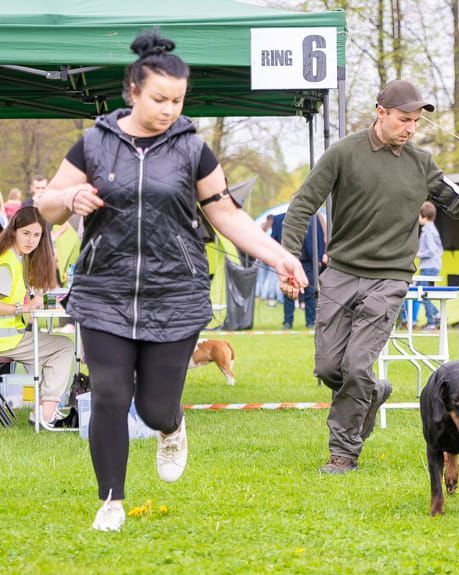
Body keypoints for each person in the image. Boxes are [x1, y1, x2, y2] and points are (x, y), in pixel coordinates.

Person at [37, 29, 307, 531]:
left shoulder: (192, 149)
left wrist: (279, 256)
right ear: (133, 91)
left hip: (175, 291)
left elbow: (225, 213)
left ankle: (172, 427)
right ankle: (111, 502)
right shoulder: (94, 144)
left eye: (177, 101)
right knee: (110, 394)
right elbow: (47, 204)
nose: (168, 110)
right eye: (159, 99)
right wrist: (69, 198)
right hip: (104, 289)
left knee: (155, 406)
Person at [280, 79, 459, 474]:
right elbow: (302, 206)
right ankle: (373, 392)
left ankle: (343, 452)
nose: (411, 128)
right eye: (403, 119)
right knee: (329, 367)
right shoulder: (343, 153)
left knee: (357, 366)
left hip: (390, 278)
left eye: (416, 121)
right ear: (380, 113)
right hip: (341, 273)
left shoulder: (421, 162)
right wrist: (288, 259)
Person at [0, 206, 75, 426]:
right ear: (13, 231)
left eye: (37, 235)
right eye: (26, 233)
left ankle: (43, 409)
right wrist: (23, 308)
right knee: (64, 346)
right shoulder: (7, 263)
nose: (31, 240)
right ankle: (45, 414)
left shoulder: (11, 258)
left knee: (50, 347)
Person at [271, 209, 326, 329]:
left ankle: (311, 321)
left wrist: (320, 256)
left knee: (310, 292)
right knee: (288, 291)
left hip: (308, 262)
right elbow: (273, 240)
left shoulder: (314, 219)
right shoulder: (279, 219)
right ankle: (287, 322)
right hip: (288, 263)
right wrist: (277, 260)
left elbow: (320, 238)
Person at [403, 201, 442, 329]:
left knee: (423, 294)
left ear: (424, 216)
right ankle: (436, 314)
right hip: (432, 266)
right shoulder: (433, 229)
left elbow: (432, 251)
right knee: (421, 293)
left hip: (429, 267)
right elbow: (440, 249)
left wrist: (418, 254)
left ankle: (432, 322)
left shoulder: (428, 231)